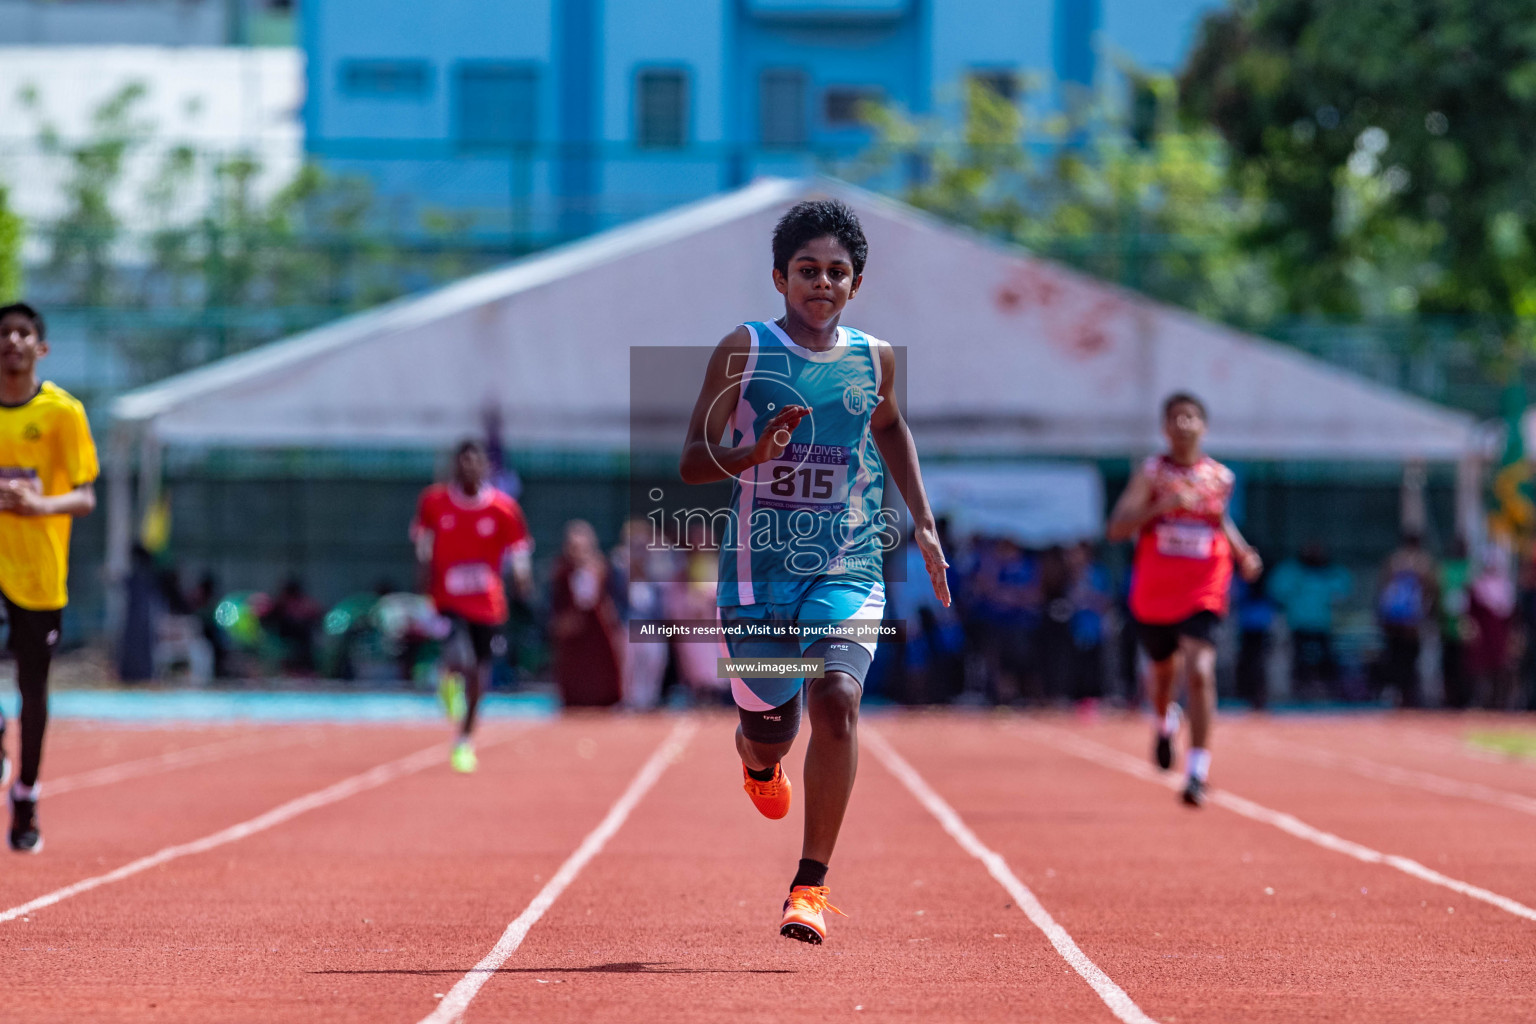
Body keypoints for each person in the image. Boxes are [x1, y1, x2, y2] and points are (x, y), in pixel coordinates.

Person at [679, 199, 949, 943]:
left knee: (837, 700)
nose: (821, 283)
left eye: (836, 272)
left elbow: (889, 424)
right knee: (772, 730)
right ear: (780, 277)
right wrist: (753, 454)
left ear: (855, 284)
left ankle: (810, 886)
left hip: (848, 560)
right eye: (807, 270)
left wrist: (921, 520)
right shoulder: (747, 350)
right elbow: (693, 462)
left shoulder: (875, 359)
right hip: (757, 574)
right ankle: (757, 760)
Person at [1107, 393, 1261, 807]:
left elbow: (1219, 520)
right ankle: (1163, 720)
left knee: (1200, 670)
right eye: (1175, 418)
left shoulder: (1220, 478)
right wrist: (1161, 507)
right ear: (1165, 428)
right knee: (1163, 677)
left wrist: (1243, 552)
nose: (1183, 424)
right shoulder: (1152, 474)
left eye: (1190, 417)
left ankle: (1196, 772)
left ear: (1203, 426)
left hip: (1204, 587)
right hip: (1156, 591)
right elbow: (1117, 528)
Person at [0, 303, 98, 853]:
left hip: (38, 569)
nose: (11, 340)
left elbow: (85, 496)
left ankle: (27, 793)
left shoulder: (63, 413)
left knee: (32, 688)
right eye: (3, 333)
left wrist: (38, 505)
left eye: (22, 332)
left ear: (40, 347)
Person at [411, 439, 533, 773]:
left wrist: (523, 579)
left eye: (474, 461)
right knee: (458, 655)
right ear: (455, 465)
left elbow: (519, 550)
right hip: (447, 599)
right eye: (462, 461)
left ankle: (464, 739)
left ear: (484, 467)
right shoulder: (434, 502)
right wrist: (423, 581)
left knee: (480, 672)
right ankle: (448, 677)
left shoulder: (503, 509)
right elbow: (423, 545)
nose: (468, 467)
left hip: (488, 604)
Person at [549, 519, 624, 708]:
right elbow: (555, 603)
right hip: (572, 634)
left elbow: (612, 598)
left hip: (597, 630)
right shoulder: (561, 571)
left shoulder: (602, 568)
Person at [1268, 542, 1352, 701]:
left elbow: (1343, 589)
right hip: (1298, 625)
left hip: (1322, 626)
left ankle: (1327, 693)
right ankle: (1299, 692)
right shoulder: (1290, 571)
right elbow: (1276, 590)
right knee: (1299, 662)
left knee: (1326, 662)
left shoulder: (1331, 572)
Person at [1375, 533, 1437, 708]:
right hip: (1407, 618)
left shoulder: (1394, 560)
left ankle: (1400, 692)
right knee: (1404, 657)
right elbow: (1430, 589)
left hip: (1397, 618)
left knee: (1399, 657)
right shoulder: (1423, 562)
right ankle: (1402, 693)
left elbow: (1383, 588)